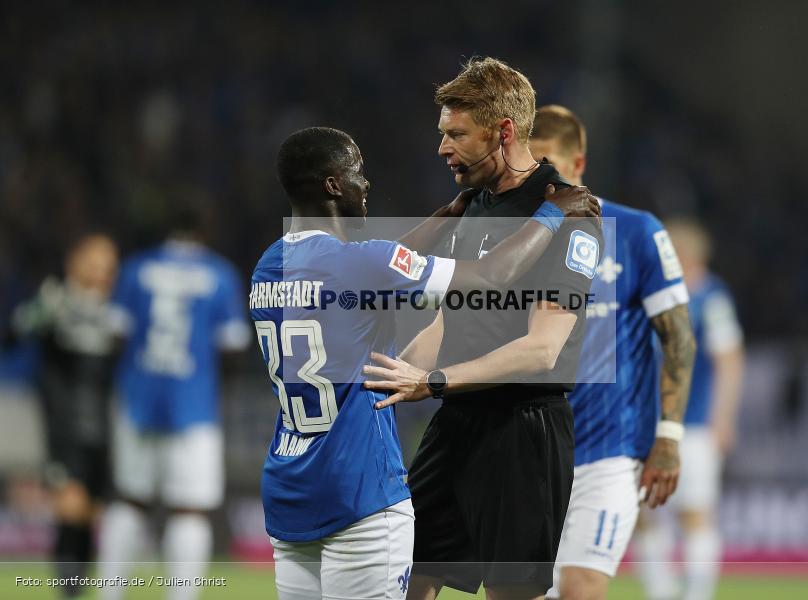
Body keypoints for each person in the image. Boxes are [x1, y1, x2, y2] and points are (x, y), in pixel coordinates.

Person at [252, 126, 599, 600]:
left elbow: (382, 260)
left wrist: (449, 214)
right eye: (356, 172)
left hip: (289, 488)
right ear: (333, 185)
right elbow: (490, 277)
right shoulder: (361, 264)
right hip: (359, 489)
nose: (365, 183)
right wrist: (552, 214)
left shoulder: (270, 264)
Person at [367, 59, 603, 600]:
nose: (442, 147)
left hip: (522, 431)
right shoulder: (472, 204)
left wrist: (435, 382)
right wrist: (392, 375)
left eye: (456, 134)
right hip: (456, 424)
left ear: (502, 132)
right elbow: (449, 322)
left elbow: (542, 350)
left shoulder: (568, 213)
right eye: (442, 134)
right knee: (405, 575)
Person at [528, 105, 696, 600]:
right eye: (528, 167)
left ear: (578, 165)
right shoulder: (506, 238)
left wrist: (668, 435)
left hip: (608, 449)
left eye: (549, 165)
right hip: (528, 449)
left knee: (581, 588)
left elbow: (679, 336)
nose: (540, 180)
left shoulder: (636, 231)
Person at [97, 208, 252, 600]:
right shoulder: (218, 274)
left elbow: (114, 336)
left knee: (130, 499)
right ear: (203, 228)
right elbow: (232, 347)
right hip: (194, 405)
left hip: (136, 400)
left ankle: (109, 594)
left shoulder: (135, 269)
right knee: (190, 509)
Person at [634, 218, 745, 600]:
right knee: (645, 515)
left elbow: (729, 359)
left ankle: (697, 595)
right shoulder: (653, 294)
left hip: (693, 426)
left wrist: (722, 419)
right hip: (646, 424)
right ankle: (661, 593)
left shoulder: (711, 298)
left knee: (694, 513)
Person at [11, 234, 119, 598]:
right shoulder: (56, 301)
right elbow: (14, 332)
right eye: (96, 261)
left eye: (109, 264)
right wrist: (39, 312)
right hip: (64, 428)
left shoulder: (115, 313)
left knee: (90, 515)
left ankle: (78, 591)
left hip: (105, 429)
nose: (103, 270)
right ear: (75, 261)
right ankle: (68, 592)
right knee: (70, 510)